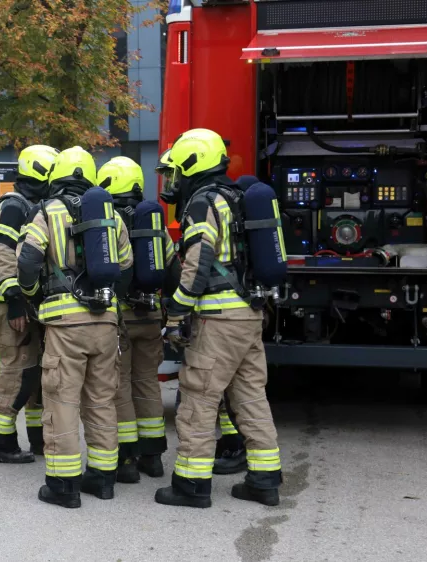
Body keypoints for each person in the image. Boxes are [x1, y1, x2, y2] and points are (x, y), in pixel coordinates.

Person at [154, 128, 283, 509]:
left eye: (175, 171)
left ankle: (191, 486)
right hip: (248, 315)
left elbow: (197, 265)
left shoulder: (202, 204)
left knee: (198, 398)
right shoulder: (237, 197)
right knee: (250, 398)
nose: (171, 181)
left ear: (192, 165)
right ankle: (264, 481)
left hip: (218, 318)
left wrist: (176, 311)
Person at [16, 146, 134, 508]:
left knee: (62, 400)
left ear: (57, 177)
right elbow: (127, 267)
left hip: (65, 324)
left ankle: (63, 485)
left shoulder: (47, 211)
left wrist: (34, 296)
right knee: (101, 399)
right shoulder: (112, 214)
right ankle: (102, 479)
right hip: (105, 321)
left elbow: (27, 262)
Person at [98, 156, 181, 483]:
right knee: (147, 383)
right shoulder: (154, 225)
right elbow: (174, 273)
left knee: (119, 387)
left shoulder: (104, 222)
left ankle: (127, 459)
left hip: (119, 318)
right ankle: (153, 457)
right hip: (150, 316)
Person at [0, 145, 59, 463]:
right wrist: (15, 301)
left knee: (34, 372)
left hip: (26, 302)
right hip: (8, 302)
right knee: (17, 370)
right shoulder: (14, 206)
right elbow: (3, 253)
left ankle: (37, 439)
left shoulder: (30, 204)